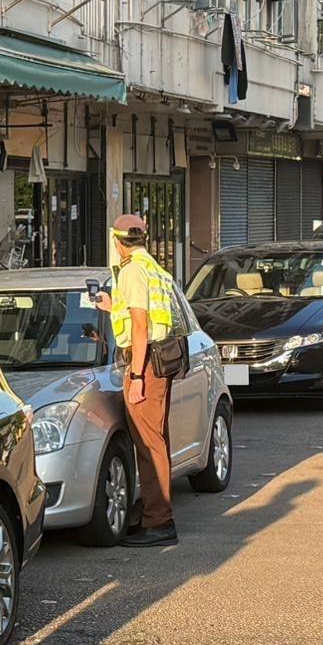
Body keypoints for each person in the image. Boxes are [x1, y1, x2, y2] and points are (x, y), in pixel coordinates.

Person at [95, 213, 181, 547]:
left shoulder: (131, 270)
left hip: (146, 362)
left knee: (148, 443)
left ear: (117, 242)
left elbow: (142, 327)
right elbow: (146, 315)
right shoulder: (153, 267)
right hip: (162, 359)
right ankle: (154, 514)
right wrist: (113, 305)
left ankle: (159, 522)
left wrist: (135, 376)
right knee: (156, 440)